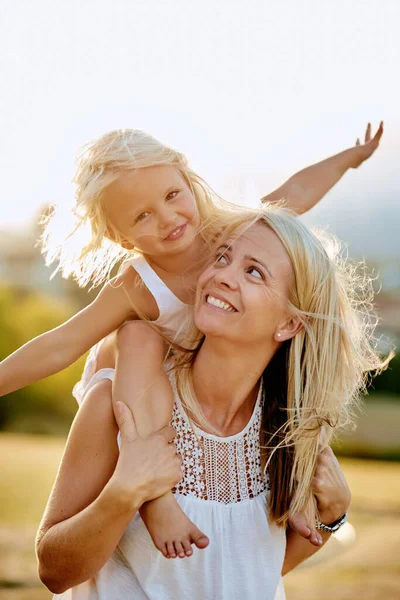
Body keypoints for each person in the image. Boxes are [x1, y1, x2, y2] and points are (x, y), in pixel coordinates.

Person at [0, 123, 383, 557]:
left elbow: (295, 193)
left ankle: (291, 488)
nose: (167, 218)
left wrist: (351, 159)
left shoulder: (230, 234)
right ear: (119, 237)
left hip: (210, 382)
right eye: (142, 216)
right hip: (138, 390)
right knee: (138, 334)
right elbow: (60, 344)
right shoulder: (136, 286)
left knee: (276, 351)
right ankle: (157, 499)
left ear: (187, 177)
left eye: (171, 195)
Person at [36, 205, 387, 599]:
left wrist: (332, 516)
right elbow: (53, 570)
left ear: (289, 323)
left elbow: (255, 574)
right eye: (223, 257)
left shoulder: (292, 433)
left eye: (253, 272)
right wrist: (125, 492)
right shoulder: (119, 401)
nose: (222, 276)